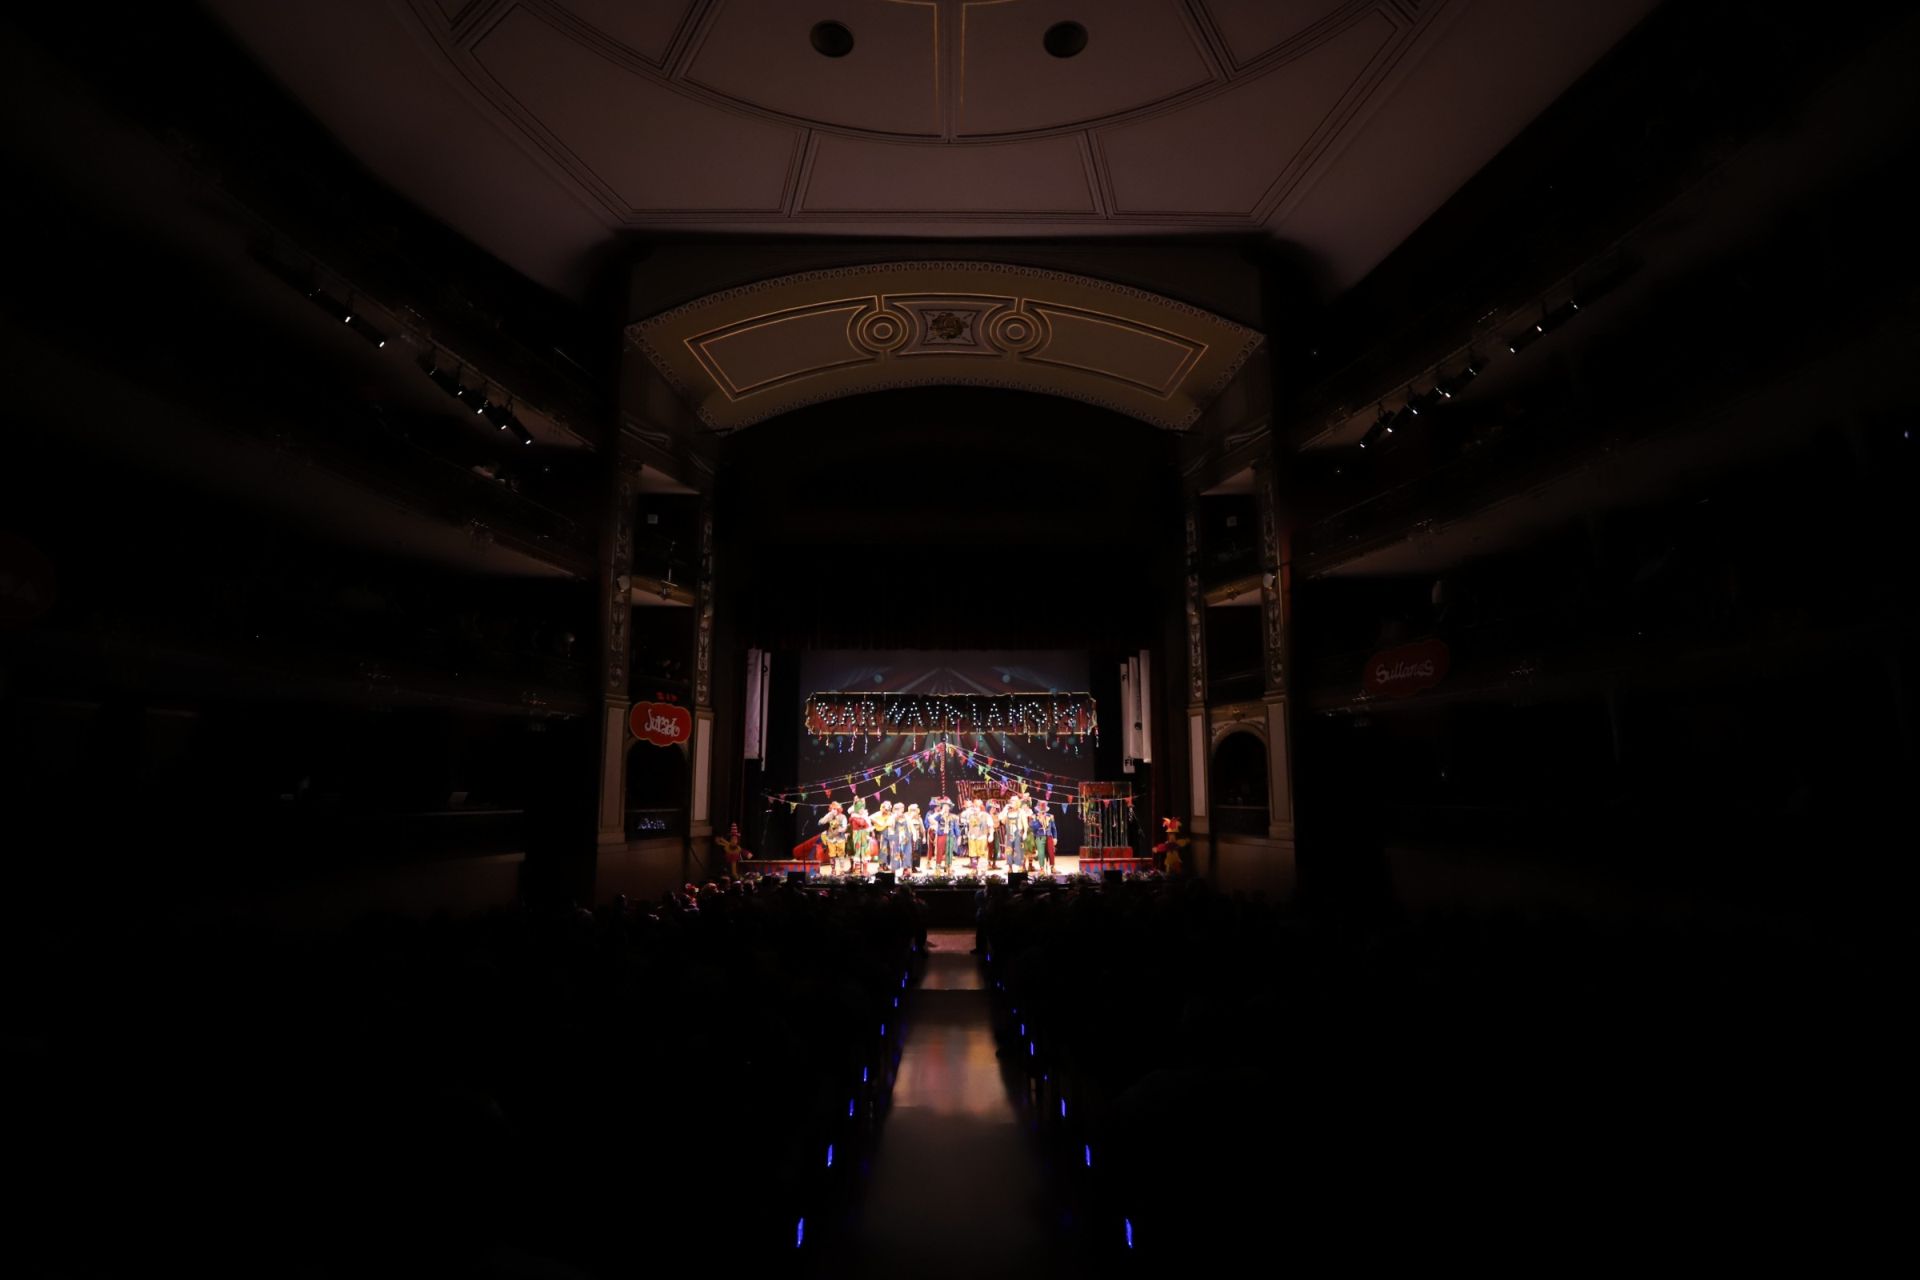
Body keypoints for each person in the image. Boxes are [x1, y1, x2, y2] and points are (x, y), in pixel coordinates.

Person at [819, 802, 848, 874]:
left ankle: (842, 869)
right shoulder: (829, 816)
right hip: (831, 839)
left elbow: (844, 828)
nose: (834, 810)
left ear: (838, 809)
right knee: (832, 855)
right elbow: (821, 822)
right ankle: (833, 870)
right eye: (832, 809)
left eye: (835, 809)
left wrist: (839, 829)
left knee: (841, 854)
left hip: (840, 839)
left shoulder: (843, 817)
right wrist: (829, 814)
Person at [868, 799, 894, 876]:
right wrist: (877, 823)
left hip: (891, 832)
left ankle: (886, 865)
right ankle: (881, 865)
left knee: (890, 849)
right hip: (883, 833)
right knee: (883, 849)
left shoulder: (891, 815)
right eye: (884, 808)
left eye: (887, 809)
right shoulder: (878, 814)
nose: (885, 810)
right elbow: (870, 817)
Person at [1033, 801, 1058, 872]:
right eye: (1041, 809)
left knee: (1051, 851)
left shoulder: (1050, 816)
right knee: (1041, 853)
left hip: (1049, 836)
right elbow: (1033, 828)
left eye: (1043, 810)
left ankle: (1052, 867)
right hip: (1040, 837)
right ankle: (1041, 868)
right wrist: (1039, 821)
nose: (1042, 811)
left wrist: (1055, 837)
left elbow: (1054, 828)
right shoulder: (1035, 817)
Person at [848, 797, 872, 871]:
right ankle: (857, 869)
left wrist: (868, 833)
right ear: (857, 809)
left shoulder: (864, 817)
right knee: (857, 850)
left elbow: (868, 826)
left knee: (864, 851)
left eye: (862, 808)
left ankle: (864, 869)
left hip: (864, 836)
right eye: (860, 809)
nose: (862, 810)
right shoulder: (854, 817)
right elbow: (861, 823)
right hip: (857, 836)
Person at [904, 803, 925, 873]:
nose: (914, 812)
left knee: (916, 854)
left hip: (917, 838)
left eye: (915, 810)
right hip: (908, 839)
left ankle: (914, 867)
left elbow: (922, 829)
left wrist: (924, 837)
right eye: (913, 810)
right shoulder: (906, 817)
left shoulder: (919, 818)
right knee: (908, 853)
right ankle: (907, 868)